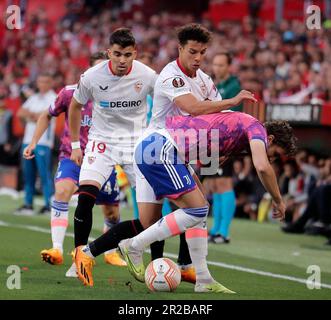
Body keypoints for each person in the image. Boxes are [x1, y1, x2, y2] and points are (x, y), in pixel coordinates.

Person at [72, 24, 257, 288]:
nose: (197, 57)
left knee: (149, 221)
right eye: (192, 51)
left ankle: (88, 252)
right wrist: (232, 101)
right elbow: (193, 108)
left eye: (202, 52)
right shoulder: (171, 75)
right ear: (180, 49)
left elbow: (217, 118)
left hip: (162, 154)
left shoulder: (204, 79)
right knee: (196, 208)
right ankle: (187, 269)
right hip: (158, 151)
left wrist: (226, 146)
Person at [115, 113, 296, 293]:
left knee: (201, 208)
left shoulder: (241, 135)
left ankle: (203, 279)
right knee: (198, 209)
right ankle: (133, 246)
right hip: (160, 148)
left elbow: (207, 142)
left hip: (164, 150)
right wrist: (278, 200)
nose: (273, 159)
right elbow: (263, 167)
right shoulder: (256, 129)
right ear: (270, 138)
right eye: (276, 154)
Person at [23, 52, 126, 275]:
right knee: (61, 192)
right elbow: (46, 115)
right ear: (87, 73)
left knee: (111, 213)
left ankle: (110, 251)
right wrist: (33, 143)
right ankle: (57, 248)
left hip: (103, 158)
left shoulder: (117, 97)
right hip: (72, 156)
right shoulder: (70, 93)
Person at [68, 28, 157, 276]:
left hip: (136, 144)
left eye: (127, 55)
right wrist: (76, 145)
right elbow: (75, 107)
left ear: (134, 54)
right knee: (86, 195)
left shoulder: (148, 75)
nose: (122, 60)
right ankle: (80, 257)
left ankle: (157, 264)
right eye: (117, 54)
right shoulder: (92, 76)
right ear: (109, 52)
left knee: (153, 207)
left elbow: (164, 103)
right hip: (102, 142)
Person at [208, 52, 243, 244]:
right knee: (213, 185)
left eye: (221, 65)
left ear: (229, 66)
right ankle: (215, 229)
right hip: (210, 139)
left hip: (225, 140)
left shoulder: (233, 87)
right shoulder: (213, 84)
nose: (217, 68)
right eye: (215, 64)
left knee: (224, 183)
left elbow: (230, 116)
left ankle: (224, 231)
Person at [15, 73, 57, 215]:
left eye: (45, 81)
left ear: (51, 82)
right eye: (40, 81)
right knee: (28, 174)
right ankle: (28, 204)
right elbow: (20, 113)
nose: (42, 84)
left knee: (44, 175)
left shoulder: (53, 97)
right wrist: (36, 116)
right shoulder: (33, 97)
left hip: (43, 141)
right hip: (28, 141)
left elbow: (45, 116)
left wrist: (33, 115)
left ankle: (48, 205)